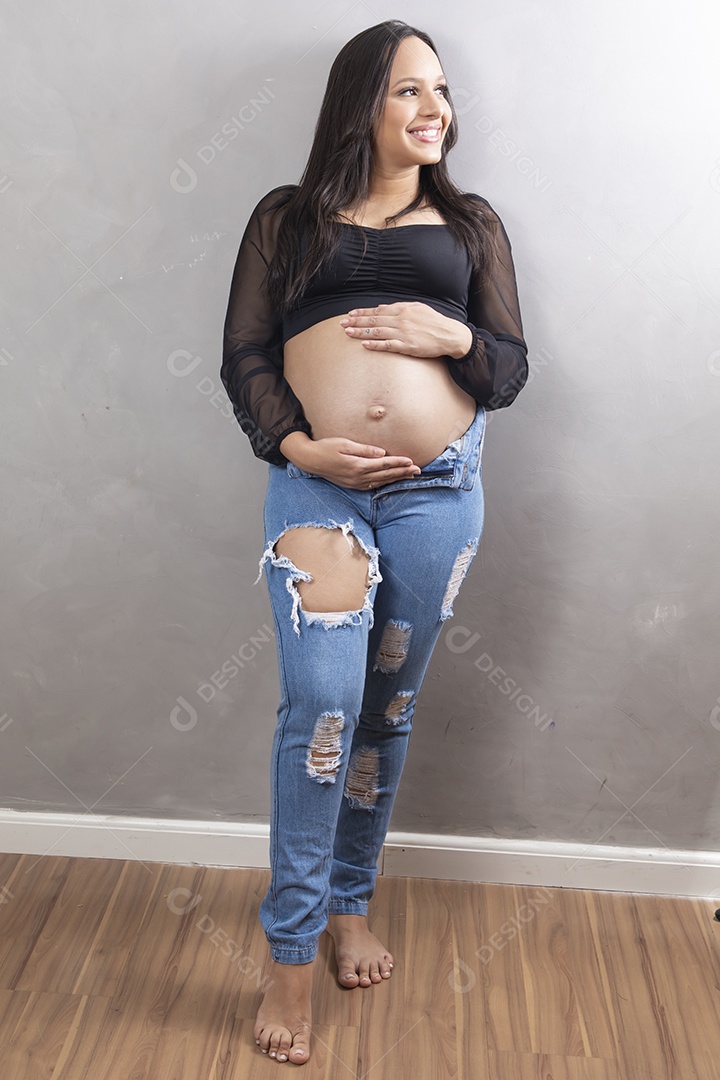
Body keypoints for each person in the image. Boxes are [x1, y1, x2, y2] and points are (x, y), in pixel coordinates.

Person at [221, 19, 528, 1065]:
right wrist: (306, 443)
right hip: (320, 490)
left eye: (441, 90)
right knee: (324, 705)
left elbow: (508, 371)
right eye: (409, 90)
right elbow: (246, 355)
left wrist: (453, 338)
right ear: (362, 103)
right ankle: (291, 955)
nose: (435, 106)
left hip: (439, 489)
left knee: (387, 710)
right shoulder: (289, 218)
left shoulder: (472, 224)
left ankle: (352, 899)